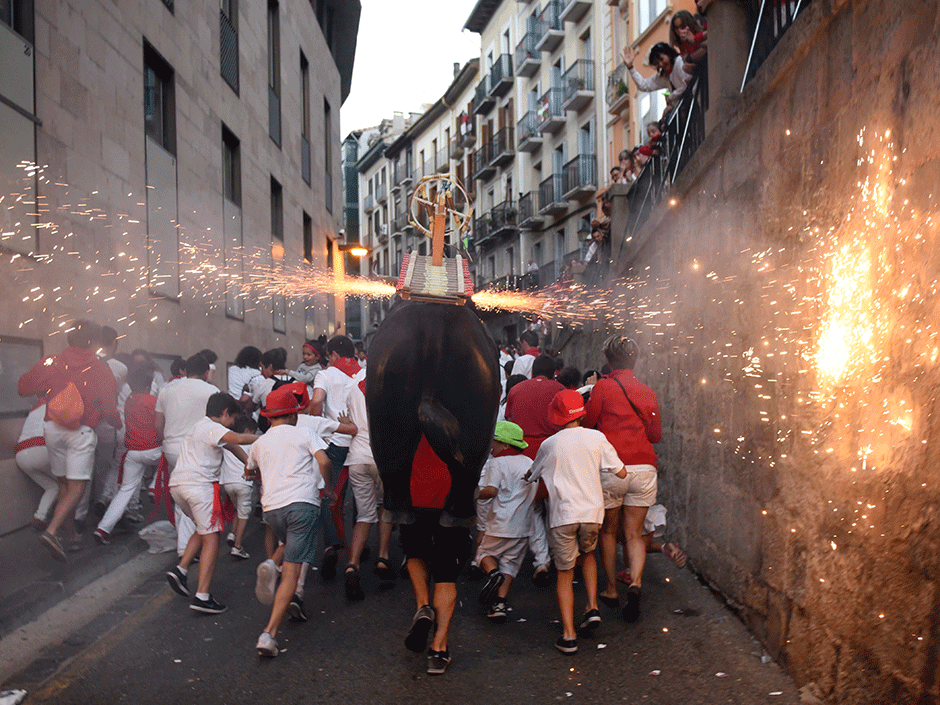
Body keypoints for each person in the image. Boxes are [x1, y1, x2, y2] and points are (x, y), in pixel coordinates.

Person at [524, 389, 626, 654]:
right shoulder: (596, 437)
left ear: (556, 417)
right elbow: (621, 471)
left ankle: (569, 636)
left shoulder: (550, 444)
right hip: (592, 513)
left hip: (563, 516)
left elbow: (531, 475)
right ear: (581, 414)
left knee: (565, 573)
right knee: (589, 554)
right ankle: (592, 606)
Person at [19, 320, 121, 561]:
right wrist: (117, 424)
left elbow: (23, 387)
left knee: (63, 484)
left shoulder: (52, 361)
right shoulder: (100, 369)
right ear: (94, 342)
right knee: (77, 487)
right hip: (81, 431)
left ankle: (72, 536)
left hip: (52, 427)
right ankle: (52, 531)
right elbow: (109, 408)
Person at [245, 386, 333, 657]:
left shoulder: (259, 442)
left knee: (288, 543)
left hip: (273, 510)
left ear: (269, 417)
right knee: (293, 573)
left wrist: (255, 473)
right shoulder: (305, 432)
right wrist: (329, 488)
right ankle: (269, 634)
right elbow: (324, 461)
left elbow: (249, 472)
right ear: (293, 415)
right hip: (302, 505)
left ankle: (272, 562)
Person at [583, 335, 662, 622]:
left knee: (608, 532)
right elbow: (655, 435)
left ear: (608, 360)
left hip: (613, 468)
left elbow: (589, 424)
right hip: (644, 468)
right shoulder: (647, 391)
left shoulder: (603, 387)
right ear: (634, 359)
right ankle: (636, 583)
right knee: (634, 534)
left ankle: (612, 589)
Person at [165, 392, 257, 614]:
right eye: (232, 418)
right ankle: (202, 595)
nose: (233, 423)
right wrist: (271, 437)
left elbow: (231, 446)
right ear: (225, 413)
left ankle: (181, 570)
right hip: (199, 487)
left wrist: (248, 463)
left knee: (203, 528)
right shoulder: (211, 427)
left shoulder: (201, 427)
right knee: (213, 536)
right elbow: (238, 439)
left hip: (179, 486)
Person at [504, 355, 563, 586]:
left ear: (532, 372)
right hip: (554, 453)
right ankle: (561, 554)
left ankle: (541, 560)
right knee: (556, 507)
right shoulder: (559, 389)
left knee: (534, 509)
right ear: (553, 373)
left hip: (525, 456)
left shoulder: (516, 390)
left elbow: (509, 420)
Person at [155, 353, 219, 558]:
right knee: (197, 495)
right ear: (206, 371)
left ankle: (185, 544)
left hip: (172, 447)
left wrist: (165, 441)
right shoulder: (211, 391)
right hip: (198, 448)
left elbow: (158, 423)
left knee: (180, 492)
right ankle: (189, 545)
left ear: (185, 370)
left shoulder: (166, 389)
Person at [475, 421, 536, 623]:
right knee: (510, 564)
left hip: (500, 522)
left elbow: (491, 491)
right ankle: (499, 604)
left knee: (484, 553)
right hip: (523, 525)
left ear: (505, 445)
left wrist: (473, 494)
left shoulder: (497, 463)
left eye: (494, 442)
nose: (491, 446)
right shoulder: (529, 462)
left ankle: (493, 574)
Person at [310, 335, 360, 577]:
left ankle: (332, 544)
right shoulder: (362, 372)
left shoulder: (326, 374)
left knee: (329, 496)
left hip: (335, 442)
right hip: (360, 443)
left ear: (333, 355)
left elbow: (317, 402)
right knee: (361, 498)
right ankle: (359, 546)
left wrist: (314, 424)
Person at [343, 370, 395, 601]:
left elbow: (348, 421)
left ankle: (352, 564)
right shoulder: (391, 384)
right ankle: (382, 557)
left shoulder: (353, 385)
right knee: (386, 507)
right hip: (383, 457)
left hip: (357, 457)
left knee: (364, 514)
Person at [94, 368, 161, 544]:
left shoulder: (129, 401)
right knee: (172, 455)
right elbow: (160, 425)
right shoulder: (154, 401)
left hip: (132, 453)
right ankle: (155, 485)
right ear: (148, 386)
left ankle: (103, 528)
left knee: (124, 492)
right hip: (153, 450)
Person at [91, 325, 128, 517]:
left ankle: (94, 504)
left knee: (98, 465)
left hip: (89, 423)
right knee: (116, 464)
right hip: (110, 423)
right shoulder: (120, 368)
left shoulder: (89, 363)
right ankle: (107, 502)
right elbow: (115, 394)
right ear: (114, 343)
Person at [221, 414, 258, 559]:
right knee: (244, 513)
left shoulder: (228, 443)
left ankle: (232, 533)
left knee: (238, 508)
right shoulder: (252, 445)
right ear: (248, 431)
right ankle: (237, 546)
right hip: (243, 482)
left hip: (228, 483)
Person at [15, 403, 57, 532]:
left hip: (21, 454)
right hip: (41, 450)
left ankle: (39, 517)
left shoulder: (34, 409)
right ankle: (67, 522)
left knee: (52, 487)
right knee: (67, 484)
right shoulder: (58, 405)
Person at [622, 42, 693, 113]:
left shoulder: (679, 62)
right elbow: (643, 85)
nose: (661, 64)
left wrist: (671, 97)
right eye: (657, 63)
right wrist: (630, 67)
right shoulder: (662, 77)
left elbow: (687, 83)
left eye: (661, 59)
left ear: (668, 54)